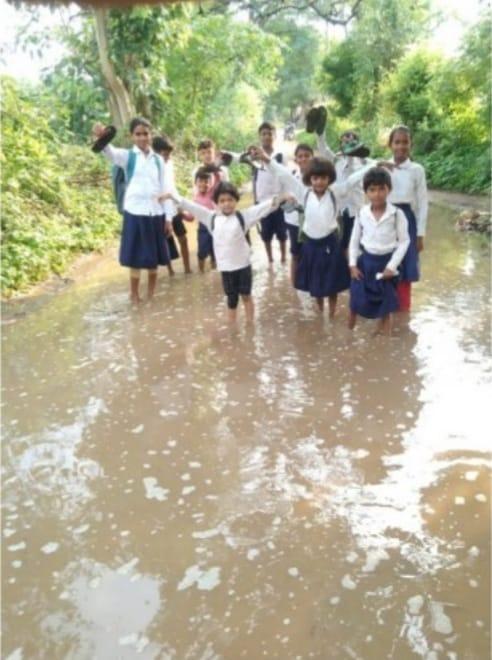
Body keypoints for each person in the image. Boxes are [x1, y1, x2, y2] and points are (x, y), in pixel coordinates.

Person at [253, 147, 373, 317]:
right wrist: (266, 159)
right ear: (310, 179)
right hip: (311, 245)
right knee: (316, 286)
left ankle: (331, 313)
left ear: (329, 178)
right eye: (315, 178)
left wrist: (373, 166)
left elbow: (352, 180)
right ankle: (320, 311)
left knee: (332, 285)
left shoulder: (335, 192)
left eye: (323, 178)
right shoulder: (304, 192)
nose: (319, 182)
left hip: (331, 244)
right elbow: (283, 175)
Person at [160, 181, 285, 324]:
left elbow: (264, 207)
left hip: (243, 266)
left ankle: (250, 325)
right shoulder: (211, 218)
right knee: (231, 300)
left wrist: (281, 198)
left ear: (236, 201)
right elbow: (192, 207)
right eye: (222, 201)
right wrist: (172, 196)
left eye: (230, 200)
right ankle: (233, 328)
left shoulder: (243, 217)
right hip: (226, 268)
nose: (226, 204)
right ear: (216, 203)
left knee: (246, 295)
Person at [92, 117, 173, 303]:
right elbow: (110, 152)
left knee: (153, 259)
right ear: (131, 137)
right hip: (135, 212)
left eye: (146, 133)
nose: (143, 137)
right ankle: (134, 295)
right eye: (138, 134)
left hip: (155, 213)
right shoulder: (128, 156)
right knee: (135, 258)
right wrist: (101, 137)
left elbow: (164, 190)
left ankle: (151, 295)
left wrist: (168, 217)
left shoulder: (159, 161)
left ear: (151, 135)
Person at [348, 167, 410, 335]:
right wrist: (353, 265)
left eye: (381, 188)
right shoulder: (361, 213)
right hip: (365, 263)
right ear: (366, 192)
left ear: (388, 189)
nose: (377, 194)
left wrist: (392, 266)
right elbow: (354, 240)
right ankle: (349, 335)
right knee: (355, 300)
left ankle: (385, 339)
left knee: (386, 304)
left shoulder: (397, 214)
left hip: (386, 265)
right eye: (372, 189)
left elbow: (404, 242)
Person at [382, 125, 428, 312]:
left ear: (411, 145)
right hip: (386, 217)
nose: (401, 146)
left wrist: (420, 234)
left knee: (406, 266)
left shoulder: (417, 170)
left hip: (407, 220)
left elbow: (423, 203)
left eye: (405, 142)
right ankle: (385, 309)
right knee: (384, 261)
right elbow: (370, 194)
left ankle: (403, 313)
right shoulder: (382, 167)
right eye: (397, 142)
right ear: (390, 145)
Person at [317, 129, 369, 253]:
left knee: (356, 248)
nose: (348, 140)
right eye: (345, 138)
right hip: (339, 211)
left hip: (356, 212)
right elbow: (323, 148)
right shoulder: (336, 160)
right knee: (339, 247)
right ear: (340, 143)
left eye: (352, 139)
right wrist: (320, 132)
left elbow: (377, 166)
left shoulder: (364, 162)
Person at [152, 135, 192, 274]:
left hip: (173, 208)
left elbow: (172, 186)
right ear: (156, 153)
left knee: (183, 238)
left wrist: (180, 207)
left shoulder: (169, 164)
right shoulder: (150, 168)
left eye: (169, 155)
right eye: (164, 155)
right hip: (160, 211)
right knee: (166, 242)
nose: (167, 158)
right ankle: (171, 272)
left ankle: (187, 269)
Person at [283, 143, 314, 285]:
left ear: (312, 158)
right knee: (295, 254)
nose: (303, 159)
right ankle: (294, 286)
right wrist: (287, 196)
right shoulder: (292, 176)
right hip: (294, 222)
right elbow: (282, 193)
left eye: (307, 156)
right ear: (296, 160)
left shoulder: (318, 178)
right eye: (300, 156)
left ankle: (311, 284)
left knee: (313, 254)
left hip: (313, 223)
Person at [193, 168, 217, 272]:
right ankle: (201, 272)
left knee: (215, 252)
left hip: (215, 226)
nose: (203, 184)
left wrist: (212, 166)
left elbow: (218, 177)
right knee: (201, 252)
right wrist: (181, 214)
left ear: (211, 183)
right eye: (200, 181)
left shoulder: (213, 195)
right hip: (202, 228)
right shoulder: (195, 199)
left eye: (206, 181)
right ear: (196, 183)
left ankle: (215, 270)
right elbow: (190, 217)